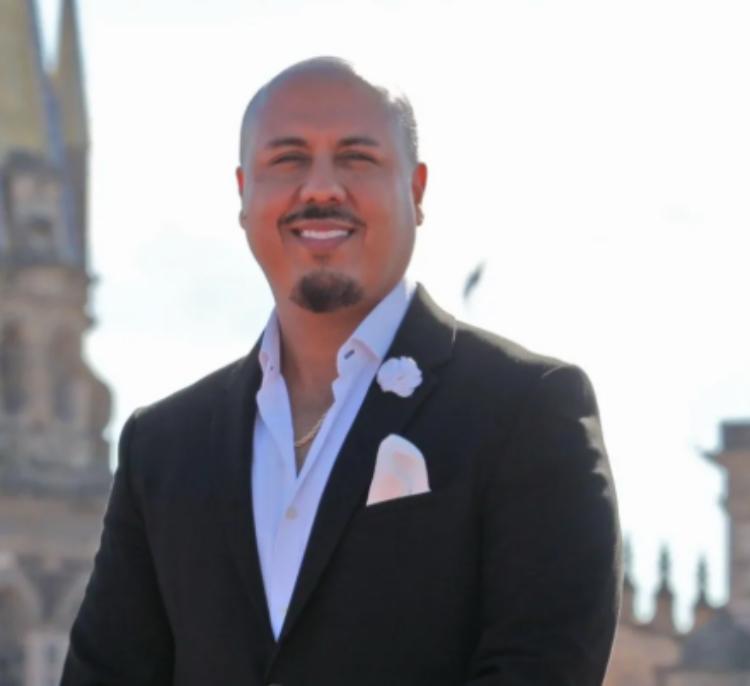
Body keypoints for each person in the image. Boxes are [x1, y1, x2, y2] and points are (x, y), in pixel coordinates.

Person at [62, 56, 622, 686]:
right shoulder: (163, 446)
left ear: (416, 191)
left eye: (357, 158)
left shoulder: (528, 409)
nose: (321, 188)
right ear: (244, 193)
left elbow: (541, 668)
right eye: (288, 159)